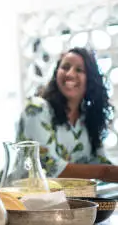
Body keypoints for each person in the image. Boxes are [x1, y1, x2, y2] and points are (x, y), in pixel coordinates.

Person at [15, 47, 118, 181]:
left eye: (79, 70)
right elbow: (48, 167)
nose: (70, 74)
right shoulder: (36, 109)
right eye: (65, 67)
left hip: (67, 199)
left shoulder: (87, 117)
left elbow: (98, 161)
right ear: (56, 72)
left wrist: (108, 171)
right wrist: (104, 172)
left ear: (91, 79)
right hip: (18, 197)